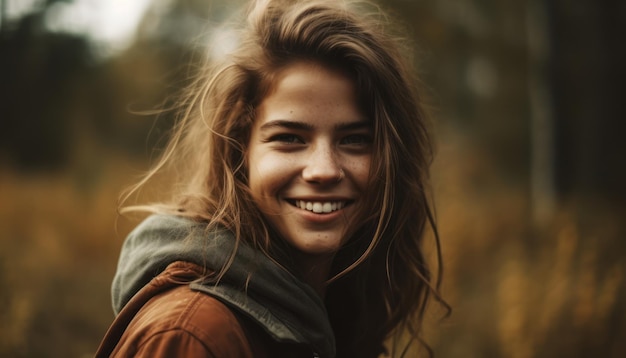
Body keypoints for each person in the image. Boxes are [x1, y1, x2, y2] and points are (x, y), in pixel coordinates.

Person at [96, 0, 448, 357]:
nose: (324, 169)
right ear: (239, 150)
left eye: (355, 140)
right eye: (290, 139)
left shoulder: (340, 310)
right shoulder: (196, 335)